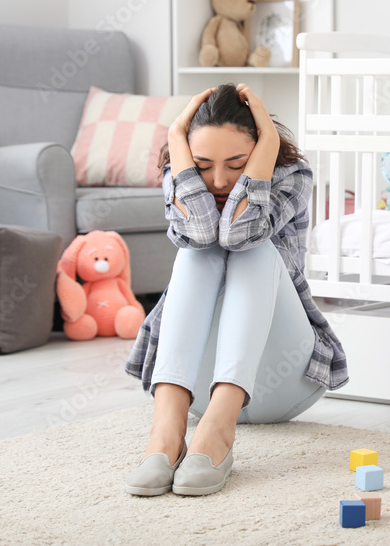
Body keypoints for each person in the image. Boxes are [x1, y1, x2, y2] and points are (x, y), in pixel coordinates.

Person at [124, 83, 348, 497]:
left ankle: (219, 431)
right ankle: (167, 431)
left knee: (255, 249)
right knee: (196, 252)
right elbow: (202, 232)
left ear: (261, 147)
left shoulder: (292, 176)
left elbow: (240, 234)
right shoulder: (179, 175)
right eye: (203, 164)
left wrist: (264, 155)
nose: (220, 179)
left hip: (282, 382)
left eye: (237, 162)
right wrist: (176, 140)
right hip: (196, 389)